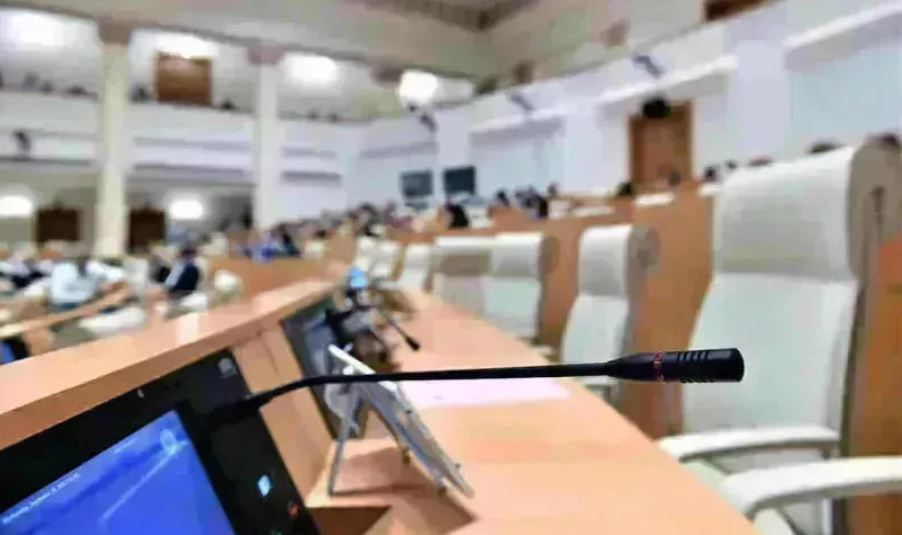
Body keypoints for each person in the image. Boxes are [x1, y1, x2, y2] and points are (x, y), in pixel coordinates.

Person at [49, 256, 123, 311]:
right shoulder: (64, 272)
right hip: (68, 303)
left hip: (92, 301)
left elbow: (106, 284)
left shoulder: (98, 273)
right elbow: (59, 297)